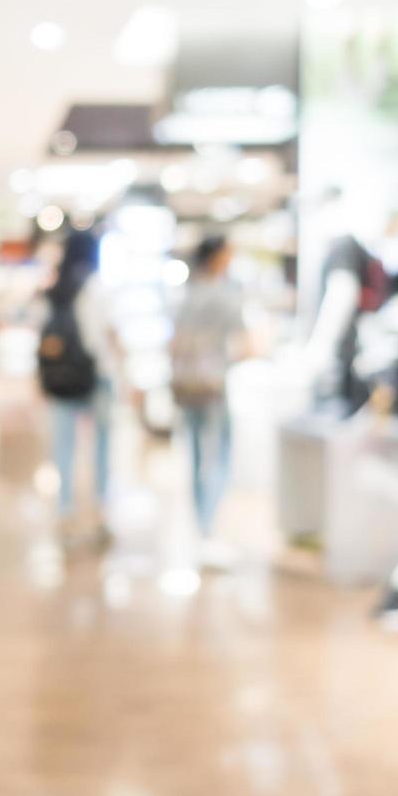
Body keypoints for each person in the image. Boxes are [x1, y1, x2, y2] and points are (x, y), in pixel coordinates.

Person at [171, 234, 248, 567]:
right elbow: (246, 342)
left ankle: (201, 527)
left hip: (185, 385)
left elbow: (172, 341)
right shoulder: (224, 295)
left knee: (195, 454)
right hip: (212, 386)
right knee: (217, 457)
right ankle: (208, 529)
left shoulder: (185, 295)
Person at [38, 230, 116, 546]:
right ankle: (99, 507)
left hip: (61, 378)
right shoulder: (97, 288)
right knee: (101, 445)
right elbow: (111, 335)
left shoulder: (56, 290)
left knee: (63, 446)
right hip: (97, 376)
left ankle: (65, 510)